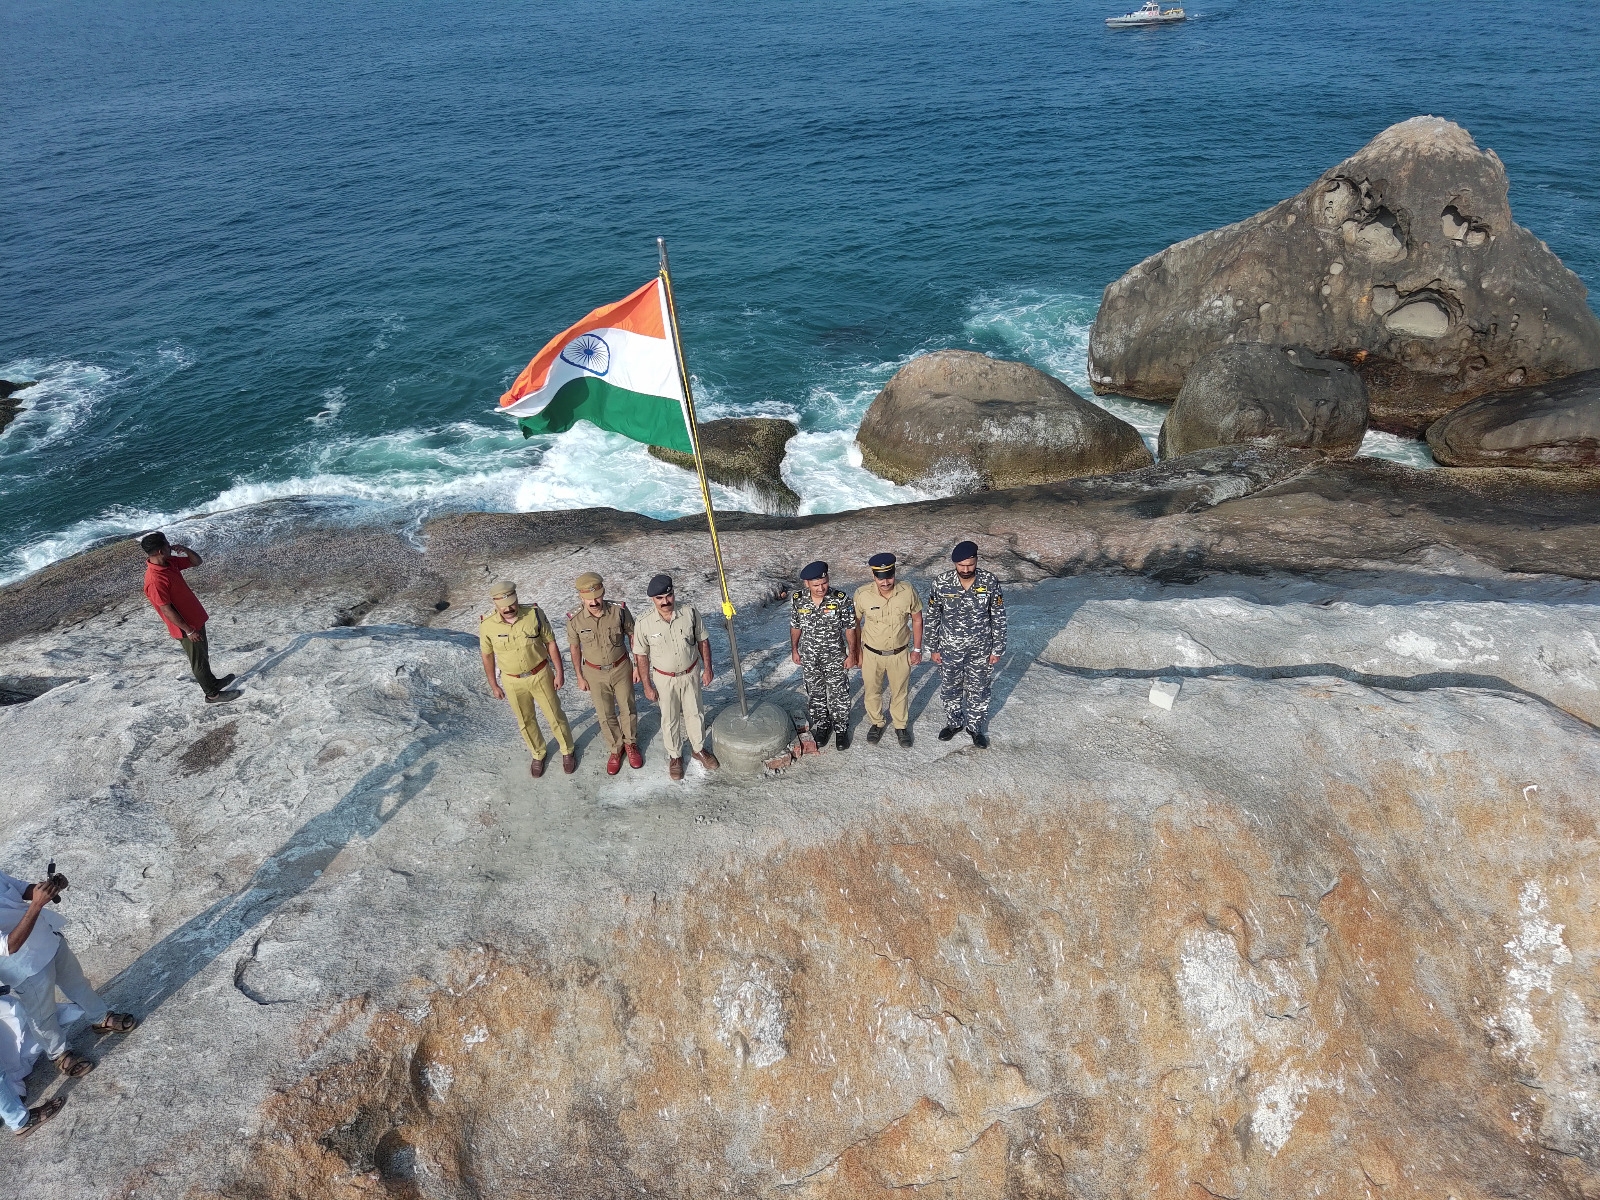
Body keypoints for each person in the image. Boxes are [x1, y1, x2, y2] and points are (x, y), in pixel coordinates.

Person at [0, 868, 138, 1113]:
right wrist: (37, 906)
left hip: (48, 940)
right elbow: (8, 946)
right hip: (23, 966)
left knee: (78, 983)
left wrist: (48, 888)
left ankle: (101, 1017)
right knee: (42, 1015)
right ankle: (60, 1054)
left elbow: (22, 888)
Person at [478, 580, 576, 777]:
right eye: (503, 605)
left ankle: (567, 750)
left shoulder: (534, 614)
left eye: (512, 602)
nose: (509, 608)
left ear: (516, 598)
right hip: (512, 680)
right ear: (495, 604)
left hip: (539, 674)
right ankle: (538, 753)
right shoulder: (487, 625)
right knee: (525, 720)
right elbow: (487, 655)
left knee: (554, 714)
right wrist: (493, 684)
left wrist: (559, 671)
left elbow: (550, 643)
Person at [634, 574, 719, 780]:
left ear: (673, 593)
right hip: (664, 679)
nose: (665, 602)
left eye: (669, 596)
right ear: (653, 600)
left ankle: (698, 749)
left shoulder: (689, 612)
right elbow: (640, 655)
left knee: (695, 713)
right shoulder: (644, 622)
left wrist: (707, 668)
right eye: (659, 598)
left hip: (690, 673)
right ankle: (675, 756)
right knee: (669, 718)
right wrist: (647, 685)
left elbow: (703, 641)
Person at [924, 540, 1007, 748]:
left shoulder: (989, 581)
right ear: (954, 564)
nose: (966, 569)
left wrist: (998, 648)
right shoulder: (941, 583)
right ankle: (954, 723)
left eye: (970, 565)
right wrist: (932, 647)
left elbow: (998, 615)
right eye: (961, 565)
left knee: (978, 689)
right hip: (950, 649)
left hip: (981, 648)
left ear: (977, 560)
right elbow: (933, 616)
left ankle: (975, 727)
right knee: (950, 687)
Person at [140, 532, 237, 704]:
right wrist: (189, 630)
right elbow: (167, 610)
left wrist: (185, 550)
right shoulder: (155, 580)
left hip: (195, 618)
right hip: (186, 627)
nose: (170, 546)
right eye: (167, 544)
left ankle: (213, 682)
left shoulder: (169, 563)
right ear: (161, 551)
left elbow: (196, 562)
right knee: (198, 662)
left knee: (203, 655)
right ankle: (212, 695)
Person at [565, 572, 643, 776]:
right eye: (589, 598)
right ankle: (616, 749)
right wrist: (580, 677)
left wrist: (636, 666)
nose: (594, 601)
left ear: (603, 592)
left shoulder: (619, 612)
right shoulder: (575, 620)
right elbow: (575, 649)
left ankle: (630, 744)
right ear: (581, 597)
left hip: (621, 667)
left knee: (628, 708)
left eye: (597, 596)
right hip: (594, 673)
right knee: (605, 714)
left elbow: (633, 636)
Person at [853, 553, 923, 748]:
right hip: (871, 654)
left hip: (899, 653)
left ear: (894, 572)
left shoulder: (908, 590)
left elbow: (917, 619)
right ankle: (877, 722)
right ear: (874, 576)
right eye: (880, 577)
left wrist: (916, 649)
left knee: (900, 691)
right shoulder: (862, 594)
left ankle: (900, 726)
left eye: (889, 576)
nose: (885, 582)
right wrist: (856, 652)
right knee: (872, 691)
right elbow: (855, 624)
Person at [790, 561, 858, 751]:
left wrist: (852, 654)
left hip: (835, 656)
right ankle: (823, 726)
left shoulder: (841, 599)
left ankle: (841, 729)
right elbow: (796, 626)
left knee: (839, 695)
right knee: (815, 694)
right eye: (816, 585)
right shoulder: (798, 599)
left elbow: (850, 629)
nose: (821, 588)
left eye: (824, 583)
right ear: (806, 584)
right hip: (810, 657)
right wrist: (795, 650)